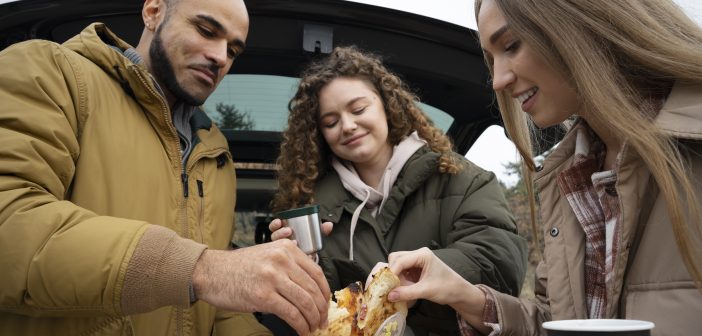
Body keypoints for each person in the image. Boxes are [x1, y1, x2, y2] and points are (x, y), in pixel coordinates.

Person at [0, 0, 330, 335]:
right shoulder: (49, 70)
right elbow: (9, 229)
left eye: (232, 50)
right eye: (206, 30)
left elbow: (213, 308)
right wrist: (202, 269)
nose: (220, 57)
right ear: (154, 11)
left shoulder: (216, 154)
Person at [382, 0, 702, 335]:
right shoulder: (569, 176)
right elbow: (563, 324)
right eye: (492, 59)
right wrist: (465, 296)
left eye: (511, 46)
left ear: (580, 20)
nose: (498, 80)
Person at [268, 46, 528, 335]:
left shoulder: (458, 177)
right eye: (331, 122)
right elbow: (312, 315)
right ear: (320, 133)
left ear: (386, 104)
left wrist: (422, 273)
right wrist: (299, 267)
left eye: (358, 109)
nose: (348, 126)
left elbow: (502, 264)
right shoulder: (312, 209)